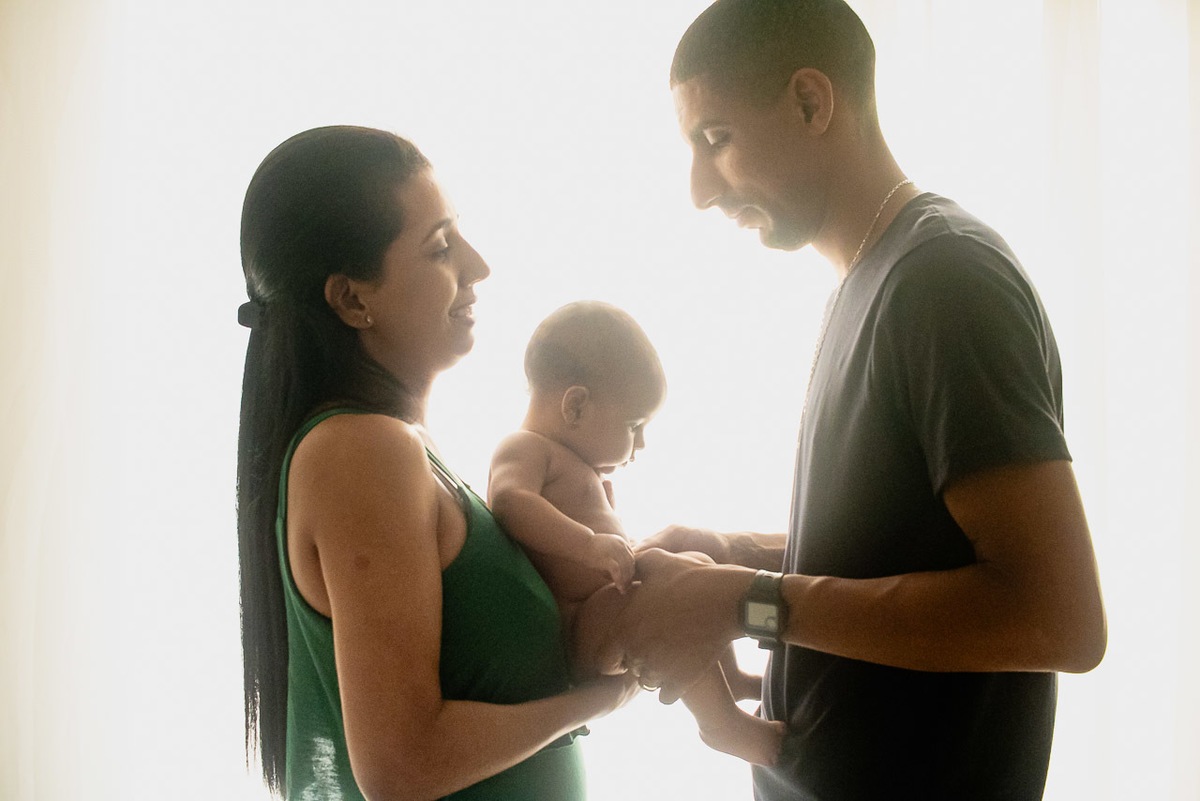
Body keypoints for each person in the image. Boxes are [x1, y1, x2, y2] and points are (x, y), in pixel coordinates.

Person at [612, 1, 1108, 799]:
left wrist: (745, 602)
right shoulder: (868, 281)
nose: (700, 189)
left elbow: (1056, 616)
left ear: (812, 101)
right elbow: (901, 555)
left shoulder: (945, 281)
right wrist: (739, 553)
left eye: (717, 138)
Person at [235, 126, 637, 801]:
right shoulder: (364, 451)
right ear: (352, 299)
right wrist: (598, 700)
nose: (479, 266)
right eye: (441, 247)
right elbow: (403, 764)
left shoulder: (397, 447)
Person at [487, 300, 786, 766]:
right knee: (668, 598)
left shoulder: (577, 465)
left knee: (694, 569)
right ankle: (723, 727)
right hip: (576, 628)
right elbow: (510, 502)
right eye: (634, 425)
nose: (641, 444)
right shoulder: (524, 447)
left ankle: (734, 681)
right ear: (576, 405)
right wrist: (589, 545)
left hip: (602, 607)